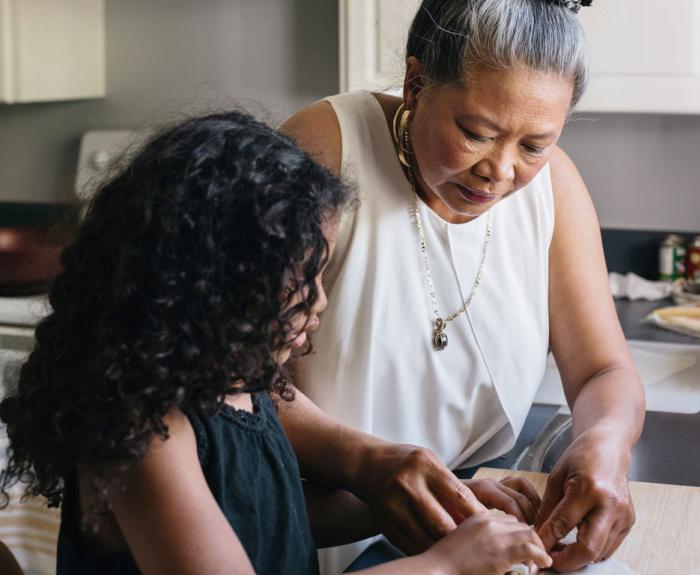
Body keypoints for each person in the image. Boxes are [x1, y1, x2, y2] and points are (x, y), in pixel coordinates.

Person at [0, 111, 553, 575]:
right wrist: (447, 564)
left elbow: (272, 514)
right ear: (213, 281)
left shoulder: (243, 387)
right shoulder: (144, 437)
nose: (319, 302)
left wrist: (445, 507)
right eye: (303, 279)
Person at [281, 0, 645, 572]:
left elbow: (604, 371)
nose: (500, 172)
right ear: (416, 82)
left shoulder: (556, 188)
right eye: (476, 133)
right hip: (323, 523)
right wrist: (367, 464)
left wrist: (606, 442)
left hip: (477, 518)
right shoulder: (325, 151)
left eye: (533, 146)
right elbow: (229, 379)